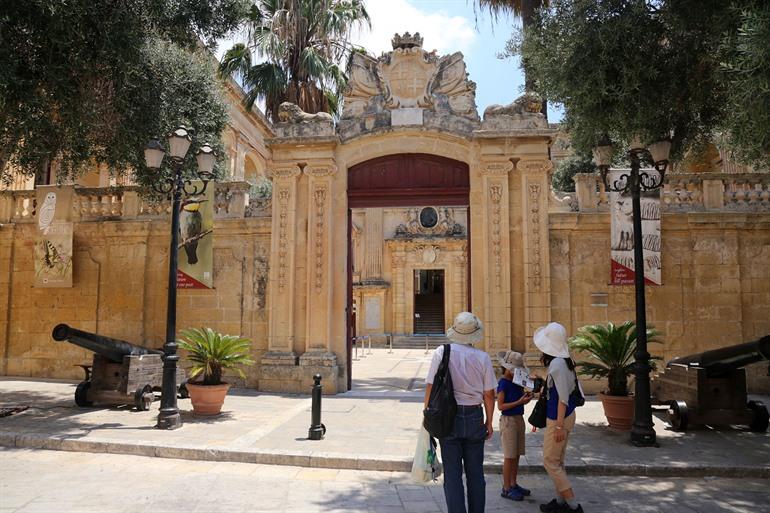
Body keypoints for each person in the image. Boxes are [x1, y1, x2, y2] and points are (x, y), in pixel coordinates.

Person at [424, 312, 496, 513]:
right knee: (476, 474)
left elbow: (430, 386)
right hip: (474, 416)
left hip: (448, 418)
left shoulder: (441, 352)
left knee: (453, 475)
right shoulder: (483, 358)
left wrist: (427, 414)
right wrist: (489, 422)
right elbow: (489, 394)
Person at [534, 322, 584, 513]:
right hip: (565, 415)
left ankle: (573, 505)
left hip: (558, 418)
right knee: (558, 461)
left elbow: (563, 398)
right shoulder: (565, 361)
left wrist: (558, 427)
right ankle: (560, 501)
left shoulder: (557, 364)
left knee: (549, 461)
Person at [496, 350, 532, 501]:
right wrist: (519, 402)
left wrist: (526, 399)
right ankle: (506, 488)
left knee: (516, 455)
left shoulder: (517, 382)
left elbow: (520, 400)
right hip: (508, 421)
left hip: (518, 418)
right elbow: (501, 406)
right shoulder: (503, 383)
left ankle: (513, 483)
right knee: (509, 456)